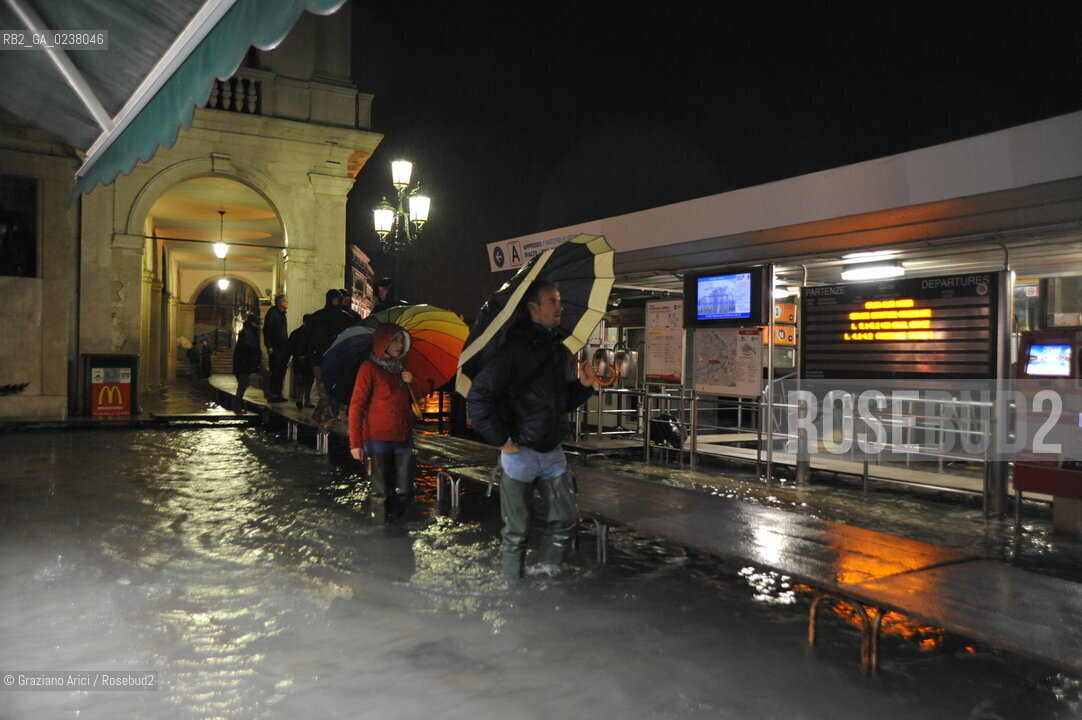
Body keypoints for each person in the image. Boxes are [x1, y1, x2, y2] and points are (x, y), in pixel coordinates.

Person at [466, 279, 597, 581]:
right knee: (517, 531)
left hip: (553, 452)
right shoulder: (511, 352)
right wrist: (501, 440)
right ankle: (514, 592)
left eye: (559, 300)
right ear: (533, 308)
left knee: (565, 520)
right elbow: (478, 396)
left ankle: (546, 579)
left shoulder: (558, 351)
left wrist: (583, 386)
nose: (560, 307)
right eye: (552, 301)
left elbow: (562, 402)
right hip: (519, 453)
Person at [349, 323, 416, 523]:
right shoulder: (369, 368)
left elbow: (415, 401)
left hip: (403, 436)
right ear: (383, 343)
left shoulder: (403, 368)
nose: (399, 345)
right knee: (381, 491)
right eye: (394, 340)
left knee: (405, 488)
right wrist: (356, 443)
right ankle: (381, 532)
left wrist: (412, 383)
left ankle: (396, 526)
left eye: (401, 341)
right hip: (377, 438)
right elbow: (357, 406)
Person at [307, 289, 352, 424]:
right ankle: (328, 415)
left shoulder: (343, 318)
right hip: (320, 358)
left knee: (330, 388)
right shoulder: (319, 317)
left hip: (330, 358)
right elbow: (308, 338)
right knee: (324, 388)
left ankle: (320, 415)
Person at [232, 314, 265, 413]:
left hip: (246, 362)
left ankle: (238, 406)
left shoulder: (249, 332)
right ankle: (237, 406)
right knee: (242, 384)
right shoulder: (248, 333)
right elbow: (249, 347)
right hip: (245, 363)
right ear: (252, 323)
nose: (257, 325)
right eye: (256, 323)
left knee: (243, 384)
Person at [263, 293, 289, 402]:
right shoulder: (272, 313)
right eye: (286, 301)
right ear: (281, 302)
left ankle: (278, 393)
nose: (287, 303)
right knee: (275, 370)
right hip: (275, 347)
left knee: (281, 370)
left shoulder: (282, 314)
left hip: (283, 347)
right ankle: (273, 394)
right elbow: (267, 331)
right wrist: (269, 346)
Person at [289, 313, 314, 410]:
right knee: (307, 381)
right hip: (308, 360)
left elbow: (290, 347)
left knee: (301, 380)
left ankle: (300, 399)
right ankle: (306, 400)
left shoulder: (296, 333)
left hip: (299, 360)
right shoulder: (313, 334)